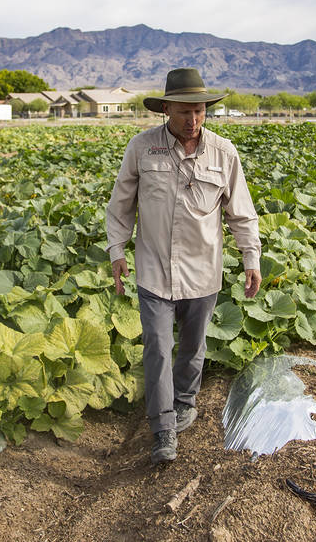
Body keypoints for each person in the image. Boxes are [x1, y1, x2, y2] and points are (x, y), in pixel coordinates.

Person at [105, 67, 261, 464]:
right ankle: (163, 429)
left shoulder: (224, 153)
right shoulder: (141, 148)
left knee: (192, 347)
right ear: (166, 110)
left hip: (202, 269)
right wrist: (117, 251)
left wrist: (250, 257)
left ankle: (186, 399)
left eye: (200, 111)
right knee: (157, 346)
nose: (192, 120)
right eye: (183, 112)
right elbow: (121, 204)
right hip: (154, 268)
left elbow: (240, 212)